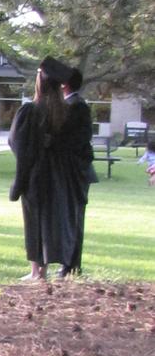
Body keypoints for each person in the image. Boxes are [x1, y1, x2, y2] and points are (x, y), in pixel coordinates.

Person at [9, 56, 93, 281]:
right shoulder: (69, 112)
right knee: (51, 220)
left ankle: (37, 270)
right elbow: (79, 145)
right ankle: (48, 268)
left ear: (40, 82)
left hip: (37, 175)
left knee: (34, 220)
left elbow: (18, 144)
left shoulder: (31, 111)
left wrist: (19, 180)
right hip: (60, 177)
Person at [60, 66, 97, 275]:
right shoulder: (73, 104)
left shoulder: (76, 106)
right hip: (74, 171)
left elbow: (78, 141)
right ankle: (69, 263)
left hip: (77, 173)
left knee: (75, 217)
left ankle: (72, 264)